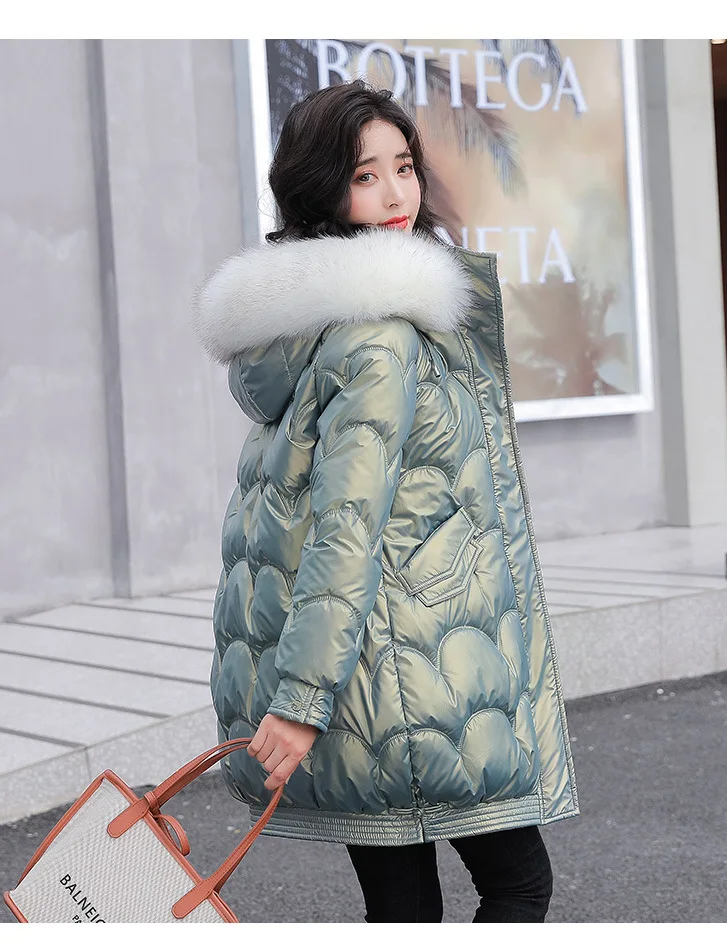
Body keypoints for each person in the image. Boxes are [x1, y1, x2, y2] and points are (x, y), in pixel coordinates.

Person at [193, 78, 579, 923]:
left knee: (403, 910)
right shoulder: (379, 333)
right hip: (417, 676)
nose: (397, 193)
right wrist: (300, 701)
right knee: (518, 885)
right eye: (365, 175)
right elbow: (344, 528)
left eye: (403, 166)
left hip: (364, 680)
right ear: (320, 189)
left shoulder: (303, 330)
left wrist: (309, 694)